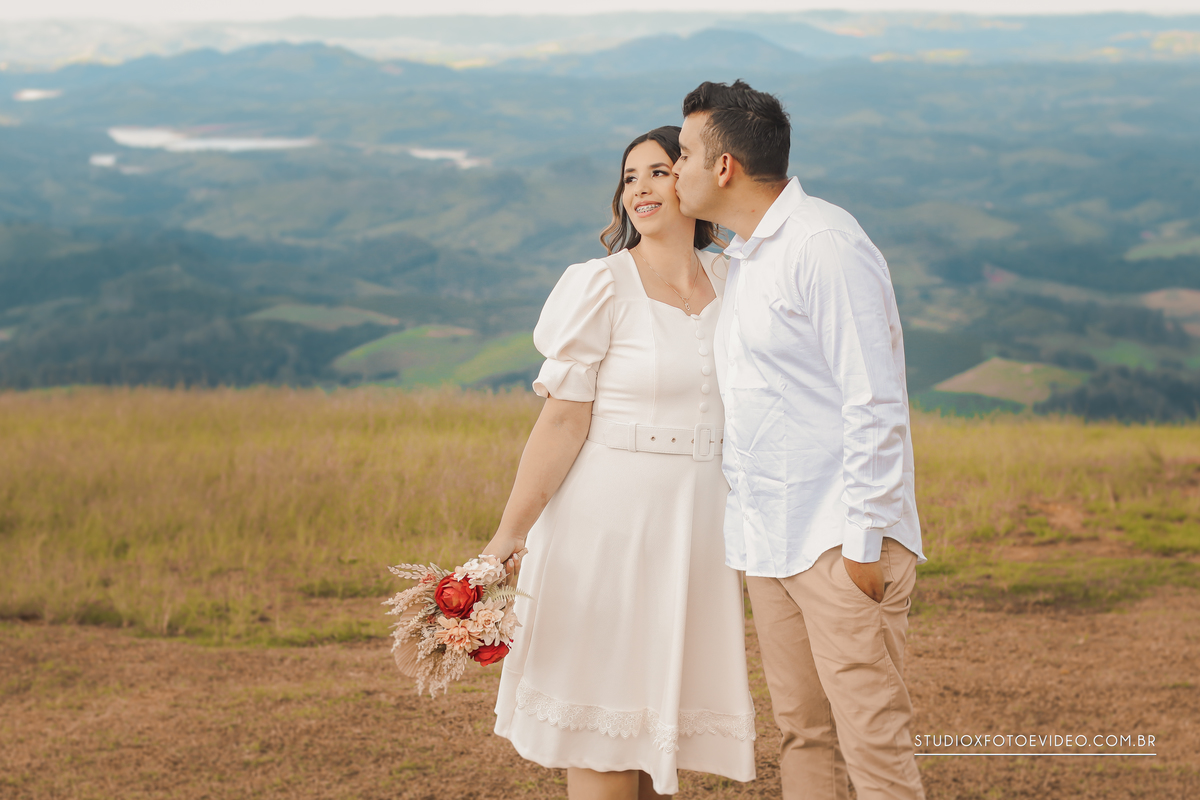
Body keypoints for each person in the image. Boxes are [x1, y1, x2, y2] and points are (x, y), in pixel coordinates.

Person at [482, 126, 757, 799]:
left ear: (693, 179)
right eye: (630, 177)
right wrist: (508, 536)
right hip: (604, 528)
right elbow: (562, 420)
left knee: (655, 726)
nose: (640, 188)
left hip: (698, 531)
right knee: (603, 731)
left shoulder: (738, 280)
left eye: (659, 171)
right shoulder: (600, 285)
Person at [672, 80, 927, 800]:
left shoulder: (825, 245)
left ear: (725, 167)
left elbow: (874, 400)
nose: (676, 167)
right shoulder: (748, 256)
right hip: (770, 542)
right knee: (803, 735)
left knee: (874, 747)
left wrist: (863, 545)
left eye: (684, 154)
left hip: (837, 543)